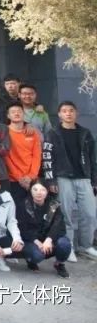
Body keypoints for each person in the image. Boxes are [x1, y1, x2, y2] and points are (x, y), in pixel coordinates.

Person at [42, 101, 97, 261]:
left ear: (76, 113)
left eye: (71, 110)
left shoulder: (85, 133)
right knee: (66, 214)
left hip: (84, 177)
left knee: (90, 213)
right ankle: (69, 246)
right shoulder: (53, 133)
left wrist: (94, 179)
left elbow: (93, 158)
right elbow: (47, 158)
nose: (68, 113)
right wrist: (51, 180)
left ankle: (85, 246)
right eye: (64, 111)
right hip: (62, 177)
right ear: (59, 114)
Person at [16, 179, 71, 278]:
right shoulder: (23, 205)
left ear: (47, 191)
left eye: (42, 190)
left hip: (49, 239)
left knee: (64, 243)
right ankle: (31, 260)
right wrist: (37, 242)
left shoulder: (54, 205)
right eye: (35, 189)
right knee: (37, 255)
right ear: (30, 190)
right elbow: (22, 229)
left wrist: (49, 239)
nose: (39, 193)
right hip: (32, 240)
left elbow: (58, 225)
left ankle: (59, 264)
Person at [5, 102, 42, 204]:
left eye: (19, 111)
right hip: (13, 180)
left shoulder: (32, 132)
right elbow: (6, 157)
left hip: (32, 179)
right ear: (8, 115)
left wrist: (31, 176)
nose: (16, 113)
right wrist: (19, 178)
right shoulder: (4, 132)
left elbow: (37, 156)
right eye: (13, 112)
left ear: (24, 114)